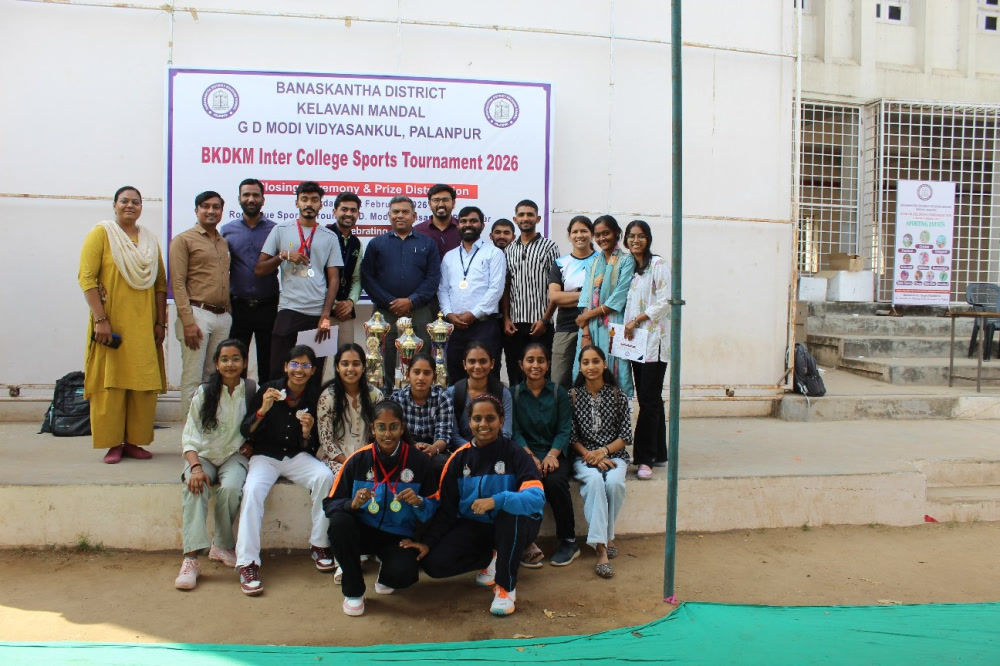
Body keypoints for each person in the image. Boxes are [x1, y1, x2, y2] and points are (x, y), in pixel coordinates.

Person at [410, 394, 544, 616]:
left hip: (517, 526)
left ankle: (505, 587)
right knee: (434, 564)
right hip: (477, 527)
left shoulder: (517, 454)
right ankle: (493, 558)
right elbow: (446, 509)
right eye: (477, 418)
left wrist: (497, 501)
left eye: (490, 418)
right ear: (469, 422)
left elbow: (536, 497)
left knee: (509, 513)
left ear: (501, 421)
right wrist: (428, 543)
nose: (483, 424)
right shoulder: (458, 459)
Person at [234, 345, 335, 596]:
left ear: (313, 371)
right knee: (252, 490)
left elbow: (312, 445)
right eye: (295, 364)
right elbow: (246, 430)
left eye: (306, 365)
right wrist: (263, 410)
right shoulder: (268, 390)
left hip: (296, 456)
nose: (299, 370)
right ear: (286, 367)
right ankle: (247, 563)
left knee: (324, 476)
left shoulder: (314, 396)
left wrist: (306, 432)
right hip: (265, 456)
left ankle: (320, 544)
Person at [323, 400, 440, 617]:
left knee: (405, 574)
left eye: (393, 427)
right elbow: (330, 503)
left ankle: (386, 574)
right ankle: (353, 591)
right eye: (381, 427)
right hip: (362, 530)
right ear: (372, 429)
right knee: (339, 522)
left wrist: (419, 502)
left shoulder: (419, 462)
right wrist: (351, 504)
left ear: (402, 428)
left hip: (396, 535)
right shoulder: (358, 460)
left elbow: (435, 506)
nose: (388, 434)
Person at [79, 186, 167, 464]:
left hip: (144, 326)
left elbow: (160, 284)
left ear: (141, 207)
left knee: (142, 384)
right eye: (124, 201)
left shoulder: (149, 240)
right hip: (111, 324)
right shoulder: (102, 234)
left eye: (136, 202)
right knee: (112, 385)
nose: (130, 205)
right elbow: (87, 278)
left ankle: (134, 442)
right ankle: (113, 443)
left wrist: (160, 322)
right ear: (115, 205)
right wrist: (101, 319)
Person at [175, 339, 251, 591]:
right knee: (195, 487)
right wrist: (195, 467)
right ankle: (191, 559)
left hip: (233, 455)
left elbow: (259, 424)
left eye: (236, 359)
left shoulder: (251, 391)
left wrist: (253, 444)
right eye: (224, 359)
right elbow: (190, 435)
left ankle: (222, 545)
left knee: (231, 488)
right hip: (204, 456)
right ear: (216, 364)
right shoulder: (205, 392)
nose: (230, 364)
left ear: (244, 363)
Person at [256, 181, 342, 387]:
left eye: (314, 200)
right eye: (304, 199)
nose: (309, 204)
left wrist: (326, 314)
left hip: (317, 313)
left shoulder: (330, 236)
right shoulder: (280, 230)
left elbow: (334, 279)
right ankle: (277, 406)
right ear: (297, 203)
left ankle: (310, 408)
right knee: (278, 371)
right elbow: (260, 269)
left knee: (314, 374)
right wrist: (283, 256)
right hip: (289, 309)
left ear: (321, 205)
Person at [360, 196, 441, 388]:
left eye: (405, 212)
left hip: (419, 310)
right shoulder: (376, 244)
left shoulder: (428, 244)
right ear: (389, 216)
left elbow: (433, 278)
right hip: (385, 312)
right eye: (395, 212)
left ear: (414, 216)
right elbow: (367, 277)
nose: (400, 215)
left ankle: (419, 395)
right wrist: (391, 302)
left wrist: (411, 301)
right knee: (384, 356)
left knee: (421, 356)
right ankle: (387, 396)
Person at [511, 343, 577, 568]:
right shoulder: (514, 394)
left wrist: (551, 455)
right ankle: (526, 544)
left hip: (555, 453)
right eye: (530, 360)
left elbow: (564, 430)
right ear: (521, 364)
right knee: (526, 483)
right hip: (525, 455)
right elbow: (515, 432)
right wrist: (530, 457)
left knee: (556, 482)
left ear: (548, 364)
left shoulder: (559, 393)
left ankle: (569, 541)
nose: (535, 365)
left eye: (541, 360)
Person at [569, 346, 632, 579]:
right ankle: (602, 548)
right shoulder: (572, 396)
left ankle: (606, 535)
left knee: (614, 483)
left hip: (615, 456)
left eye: (596, 361)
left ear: (604, 364)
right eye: (585, 362)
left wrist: (603, 452)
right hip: (583, 457)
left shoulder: (618, 395)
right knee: (595, 481)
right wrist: (591, 455)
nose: (591, 366)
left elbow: (626, 436)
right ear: (580, 367)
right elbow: (571, 437)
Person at [170, 190, 232, 415]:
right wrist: (188, 321)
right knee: (193, 377)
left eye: (216, 207)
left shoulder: (223, 242)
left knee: (213, 377)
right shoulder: (183, 240)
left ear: (222, 211)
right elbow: (177, 283)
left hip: (222, 316)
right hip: (197, 315)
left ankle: (208, 426)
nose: (211, 211)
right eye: (205, 206)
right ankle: (191, 432)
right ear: (196, 210)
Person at [623, 220, 671, 479]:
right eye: (631, 236)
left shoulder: (658, 264)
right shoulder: (629, 267)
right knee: (649, 398)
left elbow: (665, 301)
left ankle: (644, 458)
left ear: (648, 239)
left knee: (648, 400)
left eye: (641, 236)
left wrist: (636, 320)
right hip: (634, 342)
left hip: (654, 342)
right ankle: (658, 452)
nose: (636, 240)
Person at [438, 205, 505, 382]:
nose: (468, 224)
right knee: (455, 374)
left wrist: (473, 314)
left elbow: (496, 289)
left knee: (486, 376)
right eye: (463, 221)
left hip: (484, 325)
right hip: (455, 327)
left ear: (482, 225)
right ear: (458, 225)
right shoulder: (449, 257)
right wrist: (448, 314)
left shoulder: (494, 253)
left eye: (473, 221)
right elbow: (443, 289)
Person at [222, 178, 278, 382]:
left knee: (268, 362)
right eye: (246, 195)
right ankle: (238, 400)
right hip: (238, 306)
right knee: (236, 361)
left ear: (263, 199)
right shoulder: (227, 231)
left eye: (255, 195)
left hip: (268, 305)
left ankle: (266, 401)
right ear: (239, 199)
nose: (251, 199)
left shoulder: (276, 230)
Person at [573, 215, 636, 397]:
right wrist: (585, 332)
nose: (602, 238)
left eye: (606, 233)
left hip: (614, 326)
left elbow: (619, 297)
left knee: (616, 371)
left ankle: (618, 411)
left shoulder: (626, 260)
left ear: (616, 233)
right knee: (587, 370)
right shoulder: (592, 263)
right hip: (590, 327)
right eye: (598, 235)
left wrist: (587, 316)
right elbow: (585, 298)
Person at [502, 199, 559, 386]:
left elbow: (556, 286)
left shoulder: (550, 247)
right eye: (521, 215)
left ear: (538, 218)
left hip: (541, 324)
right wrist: (506, 319)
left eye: (530, 214)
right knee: (516, 375)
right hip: (515, 325)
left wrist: (545, 320)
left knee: (542, 374)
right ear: (515, 219)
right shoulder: (509, 249)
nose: (525, 218)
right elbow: (506, 286)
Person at [316, 343, 383, 476]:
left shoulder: (375, 395)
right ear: (337, 367)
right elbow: (326, 441)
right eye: (345, 364)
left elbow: (380, 434)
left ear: (363, 367)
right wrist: (349, 463)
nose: (350, 369)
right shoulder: (327, 397)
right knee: (344, 477)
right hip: (335, 459)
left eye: (356, 364)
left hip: (368, 456)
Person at [548, 216, 597, 388]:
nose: (579, 235)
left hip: (596, 325)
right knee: (559, 378)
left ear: (592, 234)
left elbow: (605, 298)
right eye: (575, 231)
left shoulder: (602, 260)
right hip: (566, 326)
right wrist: (588, 295)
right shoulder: (560, 264)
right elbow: (555, 297)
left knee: (591, 378)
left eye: (584, 231)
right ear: (569, 235)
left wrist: (568, 296)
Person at [389, 353, 454, 476]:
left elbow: (444, 434)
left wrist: (434, 448)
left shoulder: (443, 397)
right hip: (405, 446)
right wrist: (412, 446)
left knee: (442, 464)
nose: (421, 377)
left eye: (427, 373)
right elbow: (394, 433)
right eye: (416, 372)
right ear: (407, 374)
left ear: (434, 377)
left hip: (434, 448)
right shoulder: (397, 398)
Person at [447, 342, 513, 451]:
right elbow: (453, 435)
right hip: (463, 452)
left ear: (492, 363)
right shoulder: (452, 393)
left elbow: (506, 433)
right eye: (472, 361)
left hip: (496, 451)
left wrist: (489, 451)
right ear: (464, 364)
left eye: (483, 361)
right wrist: (474, 450)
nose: (477, 366)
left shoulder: (503, 393)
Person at [325, 191, 365, 351]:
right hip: (322, 310)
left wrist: (350, 302)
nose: (349, 214)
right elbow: (314, 276)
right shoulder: (322, 236)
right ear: (334, 212)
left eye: (353, 210)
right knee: (318, 359)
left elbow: (357, 278)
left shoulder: (357, 243)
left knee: (346, 357)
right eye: (344, 209)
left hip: (345, 312)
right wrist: (333, 304)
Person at [414, 183, 461, 257]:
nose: (441, 204)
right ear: (430, 204)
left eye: (445, 200)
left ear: (453, 203)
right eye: (436, 200)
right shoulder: (418, 231)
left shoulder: (463, 228)